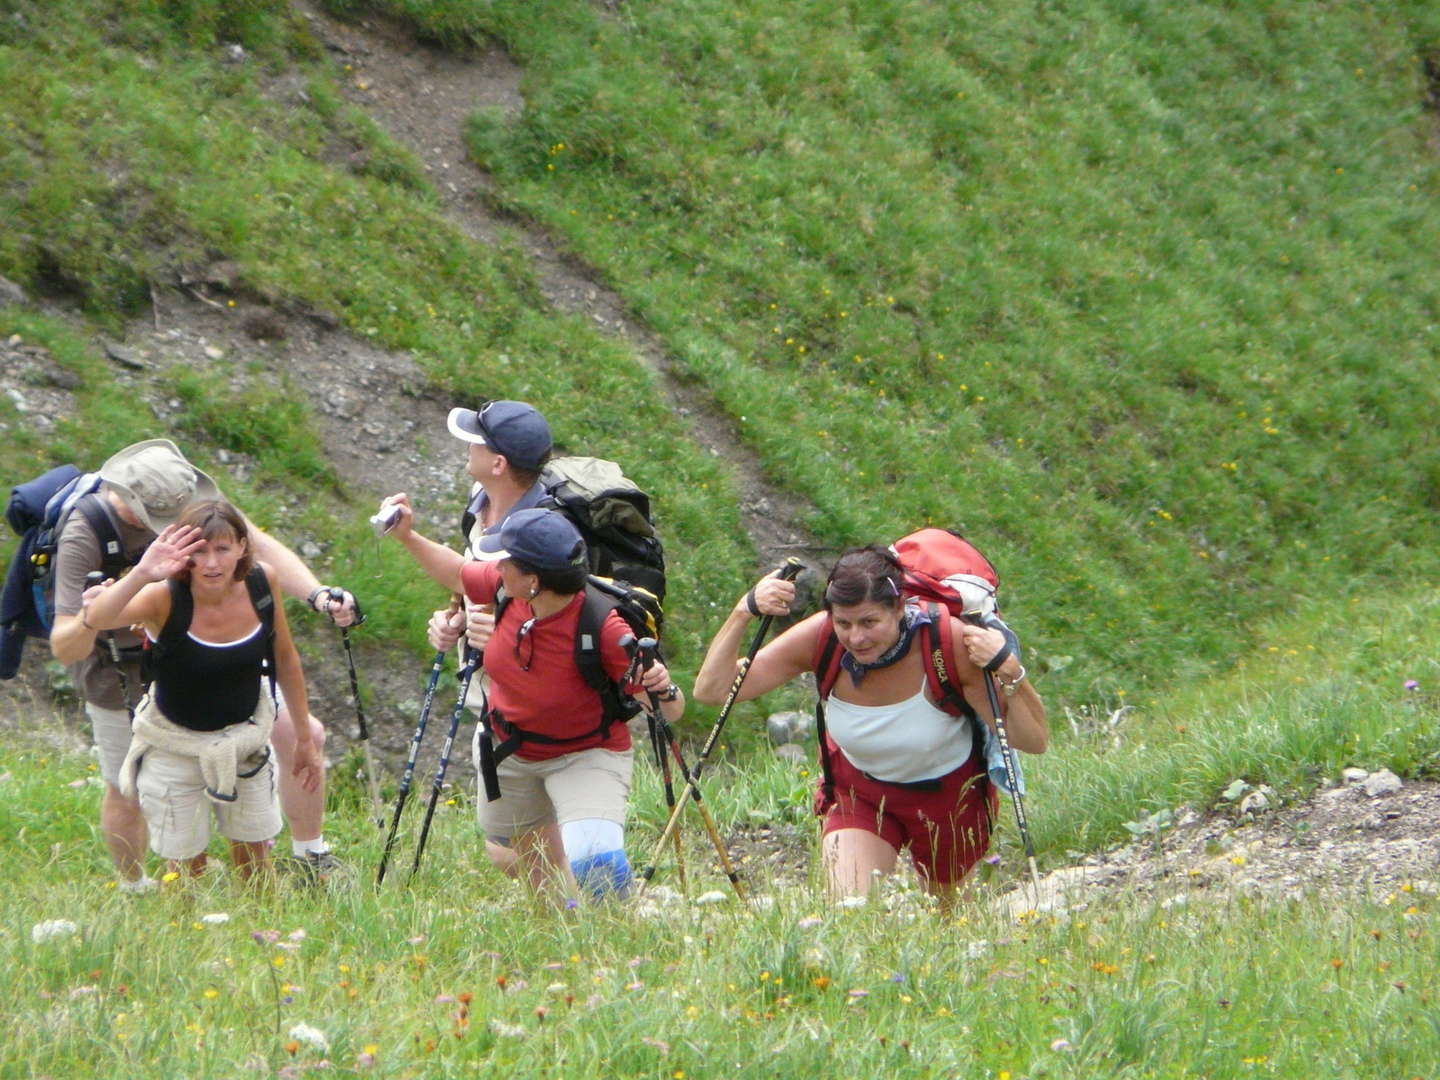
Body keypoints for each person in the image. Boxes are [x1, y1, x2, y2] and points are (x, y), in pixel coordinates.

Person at [49, 439, 355, 890]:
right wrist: (127, 590)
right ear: (133, 506)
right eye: (167, 525)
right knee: (125, 784)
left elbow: (261, 548)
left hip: (223, 651)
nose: (202, 554)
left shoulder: (193, 502)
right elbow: (66, 643)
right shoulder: (85, 534)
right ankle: (135, 887)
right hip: (120, 666)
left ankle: (309, 856)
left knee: (301, 732)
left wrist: (315, 594)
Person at [692, 546, 1047, 905]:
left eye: (869, 622)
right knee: (850, 910)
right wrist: (743, 611)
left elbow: (1031, 740)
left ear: (899, 607)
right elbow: (712, 691)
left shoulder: (947, 643)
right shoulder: (821, 638)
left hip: (951, 800)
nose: (856, 638)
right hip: (859, 793)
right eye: (843, 623)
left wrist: (1009, 669)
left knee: (953, 923)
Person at [385, 502, 683, 901]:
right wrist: (406, 537)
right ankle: (562, 939)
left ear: (535, 580)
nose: (497, 567)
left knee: (597, 863)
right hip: (512, 752)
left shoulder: (604, 627)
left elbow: (669, 712)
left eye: (507, 561)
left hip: (586, 754)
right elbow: (458, 573)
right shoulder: (506, 586)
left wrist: (664, 688)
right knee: (534, 869)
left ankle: (616, 948)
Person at [83, 500, 316, 882]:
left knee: (255, 858)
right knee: (186, 866)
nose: (211, 563)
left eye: (222, 549)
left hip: (245, 741)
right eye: (199, 551)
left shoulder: (262, 581)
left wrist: (303, 738)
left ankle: (263, 934)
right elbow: (98, 618)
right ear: (183, 554)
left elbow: (285, 657)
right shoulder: (165, 596)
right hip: (175, 745)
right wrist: (143, 573)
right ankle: (186, 936)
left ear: (242, 547)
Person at [420, 400, 559, 875]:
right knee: (510, 848)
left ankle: (584, 918)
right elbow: (469, 584)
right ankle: (577, 914)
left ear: (498, 464)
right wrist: (452, 619)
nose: (468, 446)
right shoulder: (477, 510)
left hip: (535, 698)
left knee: (520, 846)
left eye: (477, 441)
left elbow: (561, 610)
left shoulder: (544, 530)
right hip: (491, 696)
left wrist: (501, 631)